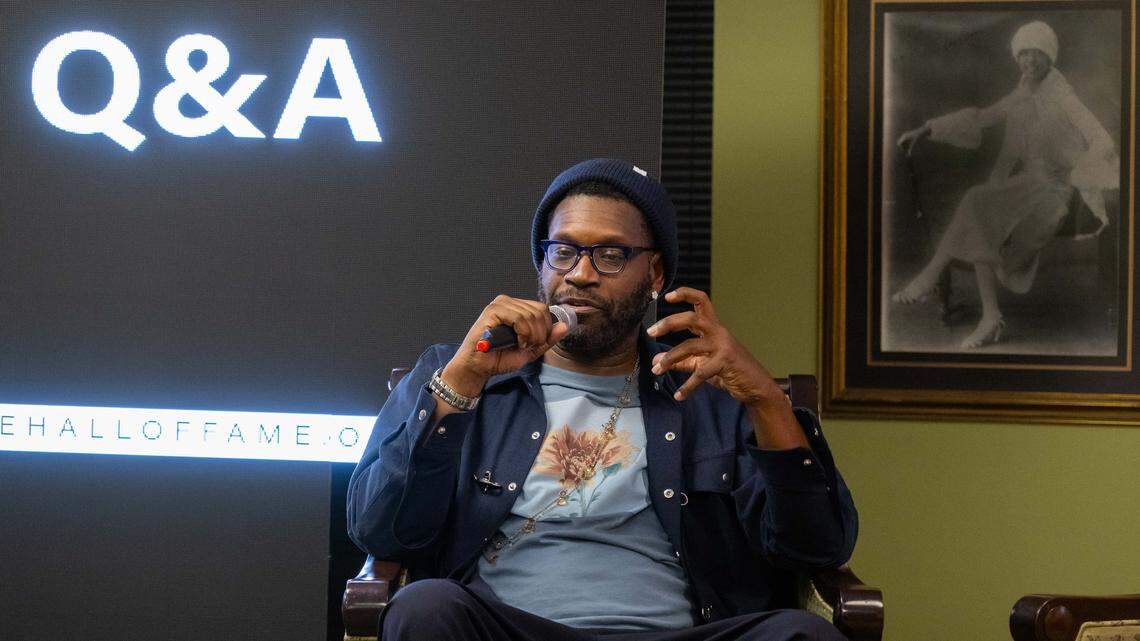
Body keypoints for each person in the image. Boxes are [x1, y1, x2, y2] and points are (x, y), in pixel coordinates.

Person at [347, 158, 857, 641]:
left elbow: (814, 549)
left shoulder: (710, 389)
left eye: (611, 255)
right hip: (511, 628)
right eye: (563, 251)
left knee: (804, 635)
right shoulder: (460, 374)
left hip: (676, 633)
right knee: (426, 608)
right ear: (542, 264)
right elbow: (381, 532)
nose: (580, 275)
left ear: (655, 275)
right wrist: (459, 383)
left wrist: (767, 401)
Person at [892, 20, 1118, 348]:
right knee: (977, 201)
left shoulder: (1063, 95)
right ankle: (989, 317)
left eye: (1036, 54)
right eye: (1023, 54)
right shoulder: (1023, 90)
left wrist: (1083, 172)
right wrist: (926, 129)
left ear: (1049, 58)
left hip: (1055, 192)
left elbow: (1101, 138)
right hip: (1026, 184)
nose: (1028, 61)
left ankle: (938, 281)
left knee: (981, 209)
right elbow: (983, 117)